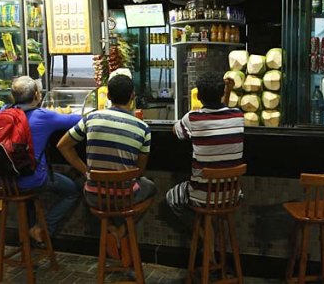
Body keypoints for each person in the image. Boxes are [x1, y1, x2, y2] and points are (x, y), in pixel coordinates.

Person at [57, 74, 156, 264]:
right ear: (132, 96)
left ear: (108, 96)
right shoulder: (143, 128)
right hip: (125, 197)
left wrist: (87, 172)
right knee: (150, 188)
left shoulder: (91, 118)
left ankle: (112, 231)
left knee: (104, 194)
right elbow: (139, 171)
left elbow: (63, 145)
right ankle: (122, 231)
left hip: (94, 196)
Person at [10, 76, 82, 245]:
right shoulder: (43, 116)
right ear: (36, 95)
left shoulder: (4, 112)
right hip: (33, 179)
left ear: (13, 97)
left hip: (6, 180)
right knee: (72, 191)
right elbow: (79, 120)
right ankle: (42, 229)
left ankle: (27, 230)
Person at [165, 71, 244, 219]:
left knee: (171, 197)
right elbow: (222, 113)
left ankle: (202, 234)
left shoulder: (193, 118)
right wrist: (228, 92)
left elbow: (175, 131)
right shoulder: (238, 115)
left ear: (199, 96)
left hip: (201, 196)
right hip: (232, 196)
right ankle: (210, 234)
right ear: (222, 93)